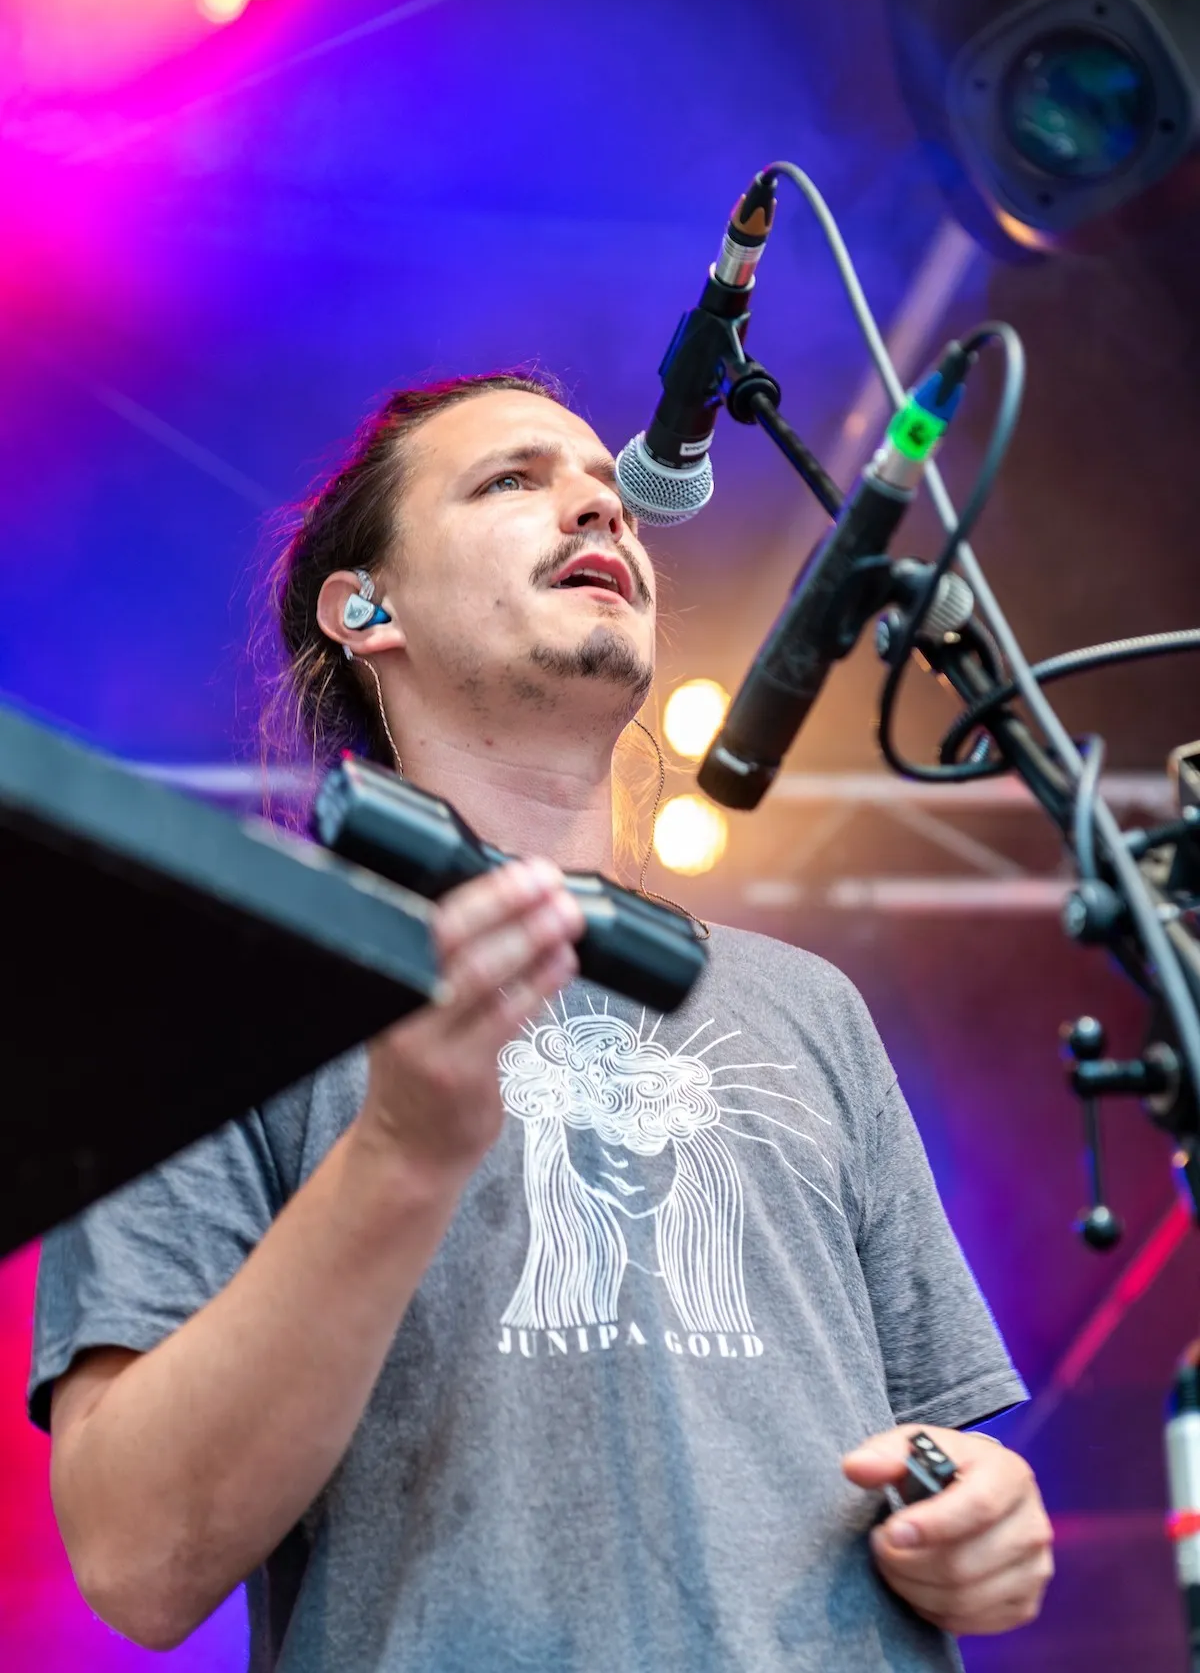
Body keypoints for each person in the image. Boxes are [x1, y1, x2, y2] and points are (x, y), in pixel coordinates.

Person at [28, 372, 1053, 1672]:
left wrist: (980, 1510)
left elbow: (943, 1449)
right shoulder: (226, 983)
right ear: (367, 607)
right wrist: (401, 1152)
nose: (598, 508)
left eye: (613, 495)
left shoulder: (806, 1006)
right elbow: (138, 1559)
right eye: (514, 480)